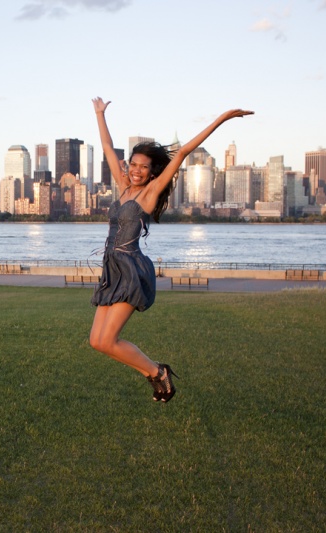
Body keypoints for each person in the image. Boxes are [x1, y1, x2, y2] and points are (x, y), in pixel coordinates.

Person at [88, 97, 253, 402]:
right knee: (97, 341)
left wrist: (222, 118)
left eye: (144, 167)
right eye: (133, 164)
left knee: (109, 339)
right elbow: (109, 148)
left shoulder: (150, 193)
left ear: (152, 172)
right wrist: (100, 114)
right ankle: (155, 372)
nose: (137, 170)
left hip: (131, 271)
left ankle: (156, 373)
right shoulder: (123, 186)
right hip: (111, 269)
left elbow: (185, 151)